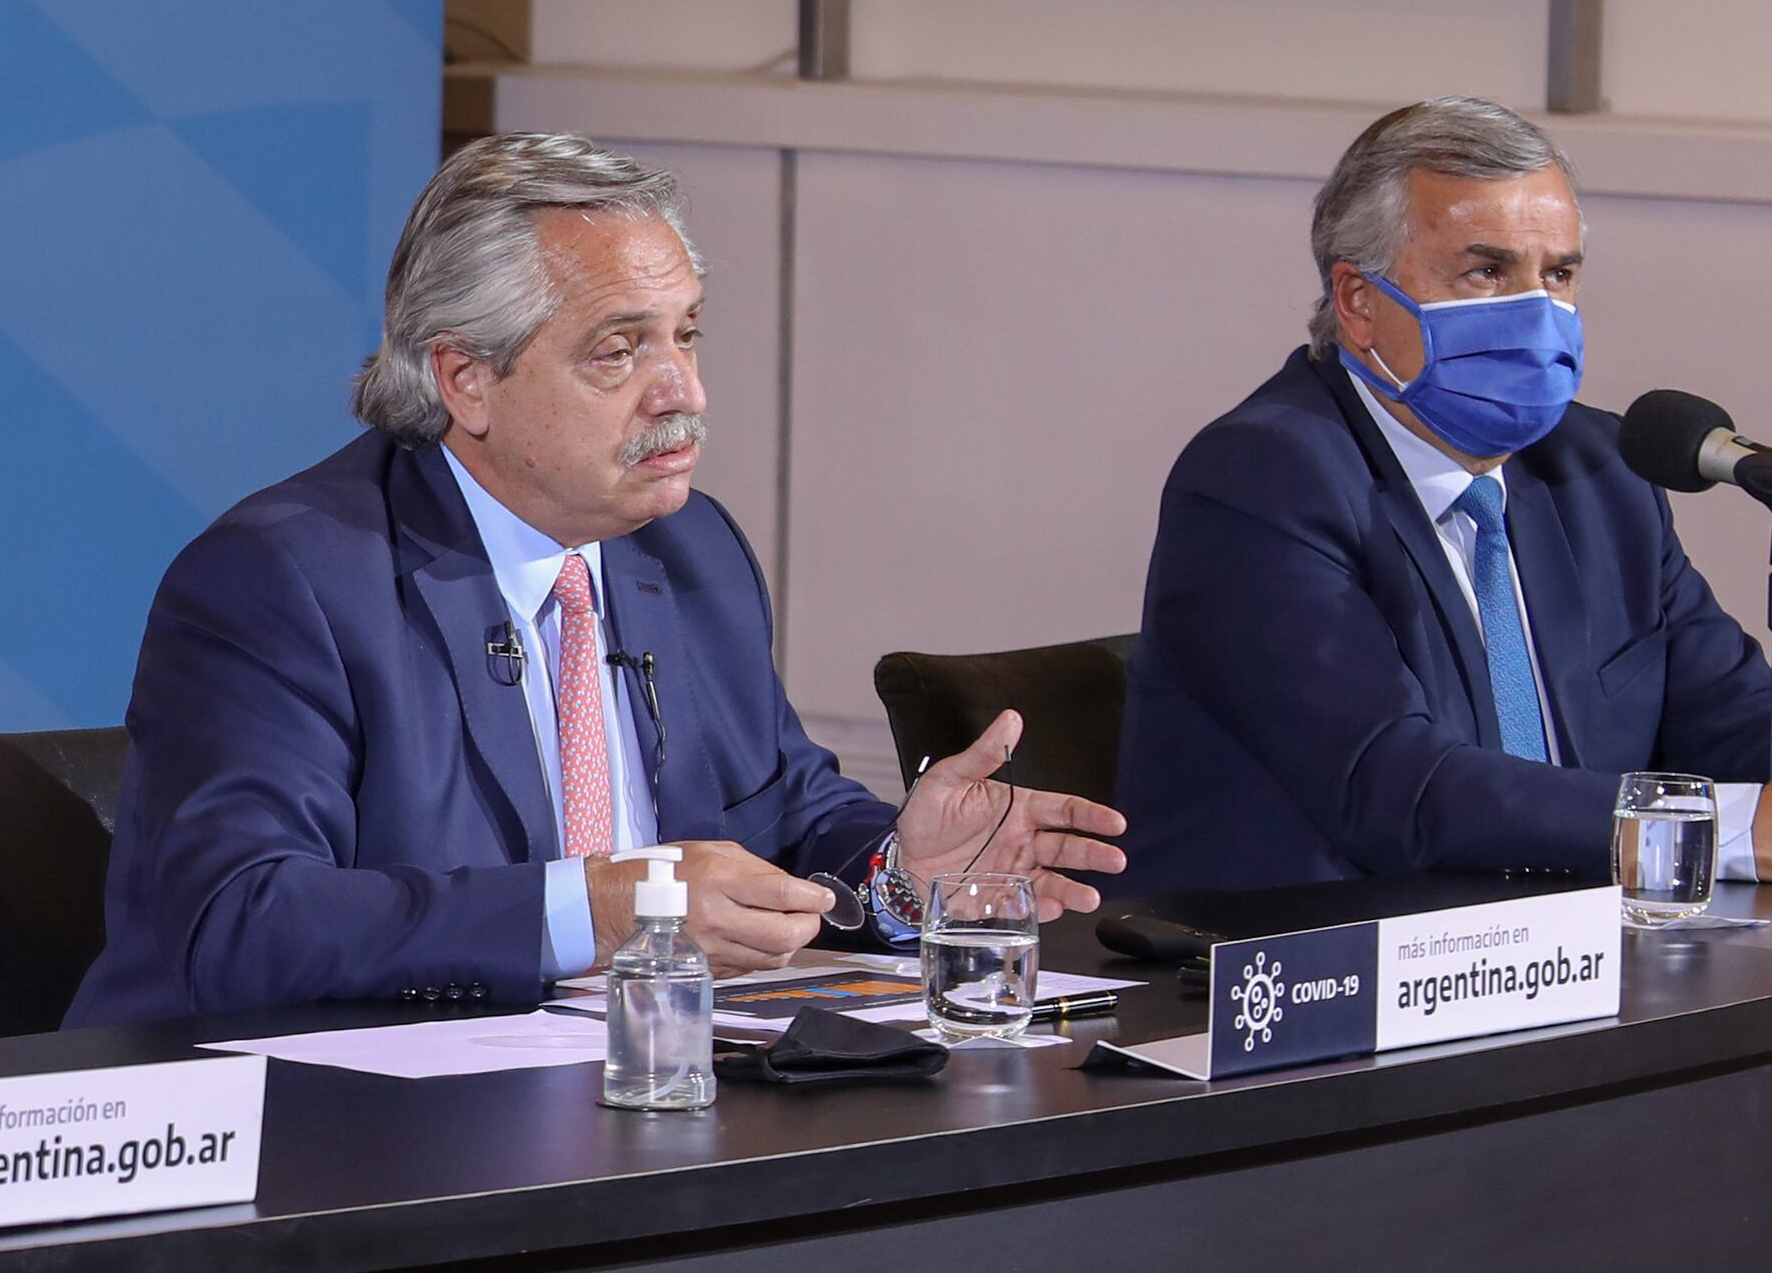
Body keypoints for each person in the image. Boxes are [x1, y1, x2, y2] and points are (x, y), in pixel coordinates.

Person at [79, 133, 1125, 1026]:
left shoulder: (687, 548)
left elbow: (788, 815)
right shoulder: (284, 580)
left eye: (685, 334)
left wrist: (904, 876)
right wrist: (595, 911)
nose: (683, 392)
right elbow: (236, 923)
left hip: (635, 1101)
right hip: (327, 1144)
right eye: (617, 351)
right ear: (465, 380)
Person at [1123, 97, 1772, 892]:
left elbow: (1726, 712)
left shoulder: (1598, 468)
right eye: (1487, 271)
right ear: (1359, 302)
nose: (1536, 310)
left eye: (1557, 274)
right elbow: (1396, 789)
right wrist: (1738, 832)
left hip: (1566, 962)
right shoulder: (1261, 478)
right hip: (1306, 983)